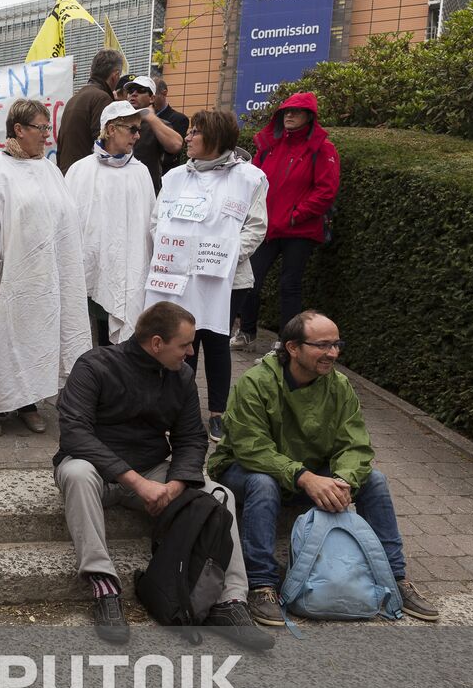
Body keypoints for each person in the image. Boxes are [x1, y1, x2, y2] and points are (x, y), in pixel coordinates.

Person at [54, 301, 272, 649]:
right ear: (157, 343)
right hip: (97, 470)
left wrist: (176, 483)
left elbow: (191, 438)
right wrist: (137, 483)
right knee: (77, 474)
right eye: (184, 345)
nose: (190, 353)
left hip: (156, 470)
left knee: (221, 496)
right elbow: (74, 434)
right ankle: (105, 588)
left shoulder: (181, 375)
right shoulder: (95, 365)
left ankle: (231, 601)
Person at [209, 310, 438, 625]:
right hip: (246, 470)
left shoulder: (339, 385)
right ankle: (261, 585)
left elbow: (355, 444)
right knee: (263, 482)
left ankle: (395, 577)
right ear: (292, 347)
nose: (333, 352)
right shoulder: (256, 382)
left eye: (336, 344)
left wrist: (342, 480)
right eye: (322, 345)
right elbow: (252, 448)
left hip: (309, 473)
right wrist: (304, 477)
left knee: (374, 480)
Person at [0, 98, 89, 438]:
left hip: (45, 280)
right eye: (41, 128)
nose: (47, 136)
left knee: (36, 342)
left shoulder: (50, 171)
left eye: (47, 128)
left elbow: (65, 220)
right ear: (19, 129)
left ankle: (28, 402)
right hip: (8, 277)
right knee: (2, 342)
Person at [143, 109, 267, 443]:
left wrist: (222, 260)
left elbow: (255, 227)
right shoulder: (175, 177)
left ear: (214, 138)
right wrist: (177, 254)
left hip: (227, 280)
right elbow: (158, 221)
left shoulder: (249, 178)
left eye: (195, 132)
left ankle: (217, 414)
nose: (187, 137)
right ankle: (177, 411)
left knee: (215, 343)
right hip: (178, 277)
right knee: (182, 344)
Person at [231, 92, 341, 351]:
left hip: (299, 230)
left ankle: (285, 342)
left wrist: (295, 215)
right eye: (285, 112)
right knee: (249, 281)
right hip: (269, 227)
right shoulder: (270, 144)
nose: (289, 116)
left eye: (296, 112)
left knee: (289, 286)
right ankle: (246, 332)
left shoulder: (323, 148)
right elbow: (251, 180)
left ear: (309, 117)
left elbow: (326, 190)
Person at [64, 100, 155, 347]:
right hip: (93, 269)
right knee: (90, 334)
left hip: (128, 269)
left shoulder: (140, 172)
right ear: (112, 129)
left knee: (122, 340)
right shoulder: (80, 171)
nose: (137, 136)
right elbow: (69, 223)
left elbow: (148, 224)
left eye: (139, 129)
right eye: (132, 129)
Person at [57, 50, 124, 173]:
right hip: (88, 179)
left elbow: (60, 144)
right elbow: (104, 146)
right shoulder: (102, 99)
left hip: (68, 176)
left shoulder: (74, 98)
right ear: (115, 76)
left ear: (91, 72)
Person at [122, 76, 185, 195]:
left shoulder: (158, 124)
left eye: (140, 90)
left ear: (152, 98)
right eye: (131, 91)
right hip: (120, 188)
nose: (134, 94)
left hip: (147, 191)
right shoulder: (117, 121)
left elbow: (176, 145)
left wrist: (150, 117)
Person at [152, 79, 189, 175]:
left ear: (164, 93)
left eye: (152, 94)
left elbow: (170, 155)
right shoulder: (140, 117)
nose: (150, 98)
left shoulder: (179, 119)